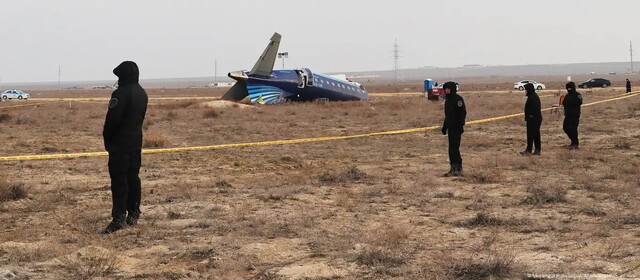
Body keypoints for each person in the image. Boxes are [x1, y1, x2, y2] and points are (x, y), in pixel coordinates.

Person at [102, 61, 149, 234]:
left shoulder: (120, 94)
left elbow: (112, 121)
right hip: (136, 142)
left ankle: (118, 218)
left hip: (120, 144)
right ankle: (133, 213)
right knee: (133, 178)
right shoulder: (142, 93)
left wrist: (108, 140)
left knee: (119, 180)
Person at [441, 81, 466, 177]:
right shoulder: (448, 100)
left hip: (456, 128)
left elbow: (462, 113)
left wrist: (460, 126)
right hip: (450, 128)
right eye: (445, 89)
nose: (447, 90)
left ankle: (457, 168)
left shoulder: (458, 99)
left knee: (454, 148)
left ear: (452, 89)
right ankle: (454, 168)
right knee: (451, 149)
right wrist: (445, 127)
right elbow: (448, 116)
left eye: (448, 89)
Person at [521, 83, 542, 156]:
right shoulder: (532, 96)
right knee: (535, 135)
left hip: (534, 120)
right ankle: (537, 150)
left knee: (531, 135)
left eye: (526, 90)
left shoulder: (533, 97)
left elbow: (535, 109)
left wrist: (531, 116)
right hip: (534, 119)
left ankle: (529, 151)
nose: (525, 91)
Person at [563, 82, 582, 149]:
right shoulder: (567, 95)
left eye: (570, 87)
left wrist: (571, 101)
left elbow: (579, 102)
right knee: (565, 128)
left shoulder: (577, 95)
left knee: (573, 129)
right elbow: (564, 103)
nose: (569, 89)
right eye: (568, 87)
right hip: (567, 115)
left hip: (574, 115)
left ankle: (575, 144)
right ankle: (573, 141)